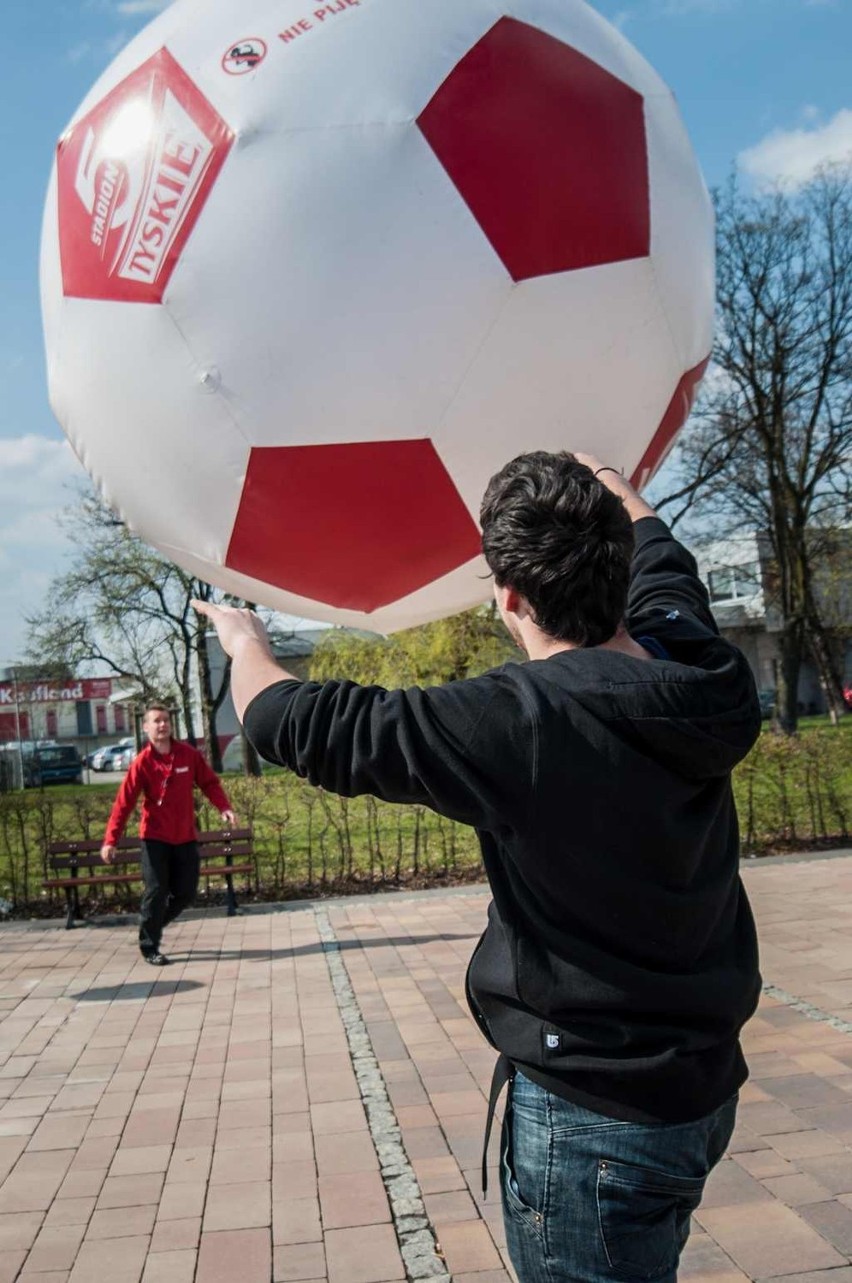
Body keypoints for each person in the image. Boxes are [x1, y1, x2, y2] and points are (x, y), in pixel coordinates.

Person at [194, 452, 762, 1283]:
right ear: (618, 562)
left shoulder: (520, 722)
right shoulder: (702, 673)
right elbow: (668, 571)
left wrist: (244, 643)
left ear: (508, 596)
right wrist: (624, 493)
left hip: (592, 1123)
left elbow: (299, 723)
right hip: (699, 1095)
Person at [101, 702, 237, 966]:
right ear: (146, 727)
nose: (162, 725)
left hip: (185, 837)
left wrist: (224, 807)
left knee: (185, 893)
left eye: (165, 720)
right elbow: (124, 802)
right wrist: (110, 840)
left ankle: (150, 924)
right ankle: (149, 946)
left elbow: (209, 782)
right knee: (156, 890)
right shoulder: (142, 763)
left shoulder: (187, 755)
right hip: (155, 839)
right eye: (156, 721)